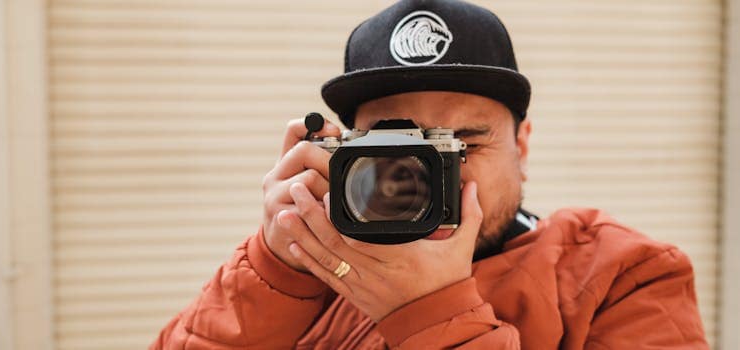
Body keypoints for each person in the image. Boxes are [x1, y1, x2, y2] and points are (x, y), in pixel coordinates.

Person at [151, 0, 708, 348]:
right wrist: (275, 269)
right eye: (400, 147)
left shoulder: (621, 277)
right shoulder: (315, 267)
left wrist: (429, 312)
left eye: (465, 141)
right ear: (344, 156)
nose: (436, 174)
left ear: (523, 145)